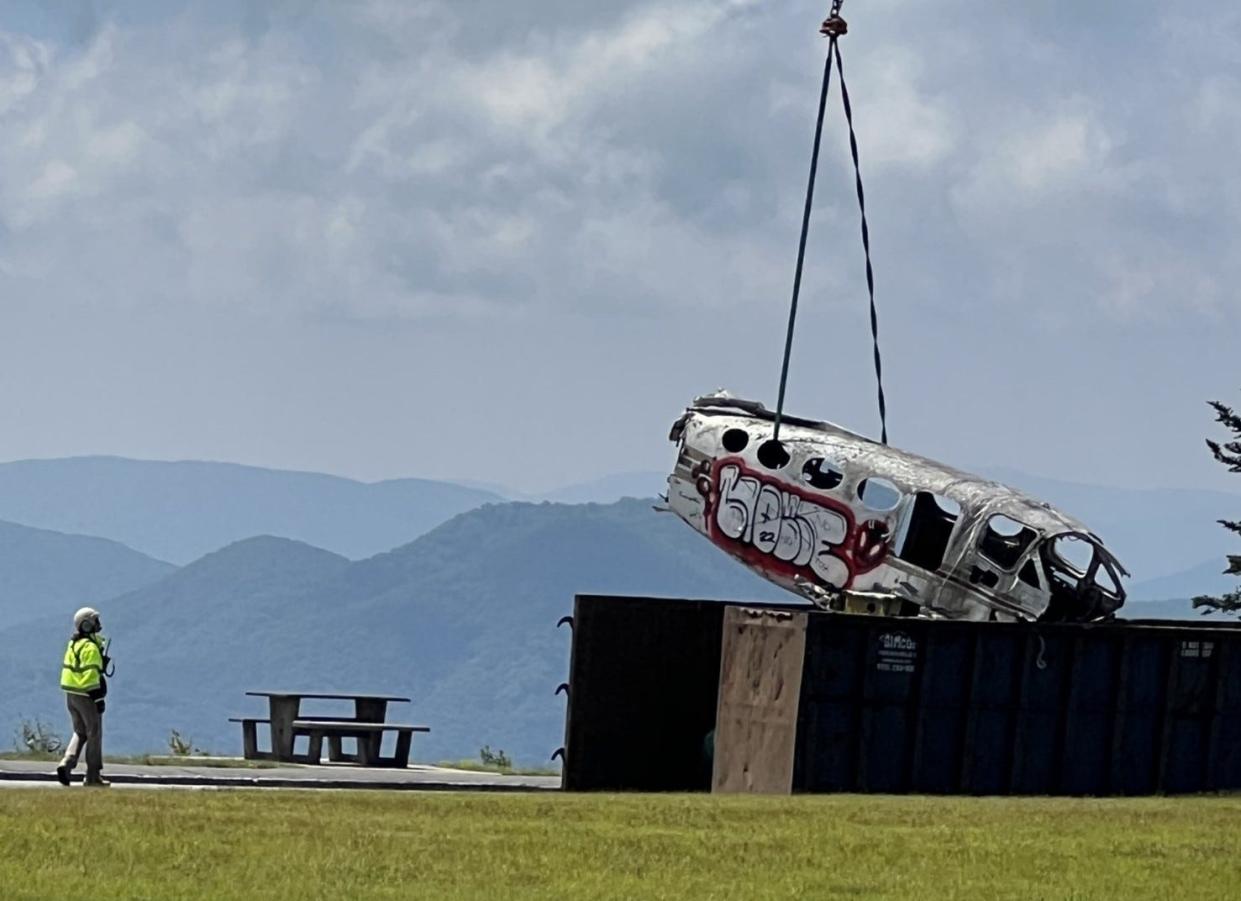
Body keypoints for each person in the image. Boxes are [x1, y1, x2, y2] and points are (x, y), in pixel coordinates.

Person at [56, 607, 111, 787]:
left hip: (71, 695)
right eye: (95, 621)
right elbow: (90, 676)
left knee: (80, 732)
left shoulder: (73, 644)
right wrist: (98, 698)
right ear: (87, 624)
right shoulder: (90, 648)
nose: (99, 624)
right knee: (94, 733)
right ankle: (92, 776)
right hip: (86, 695)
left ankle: (67, 762)